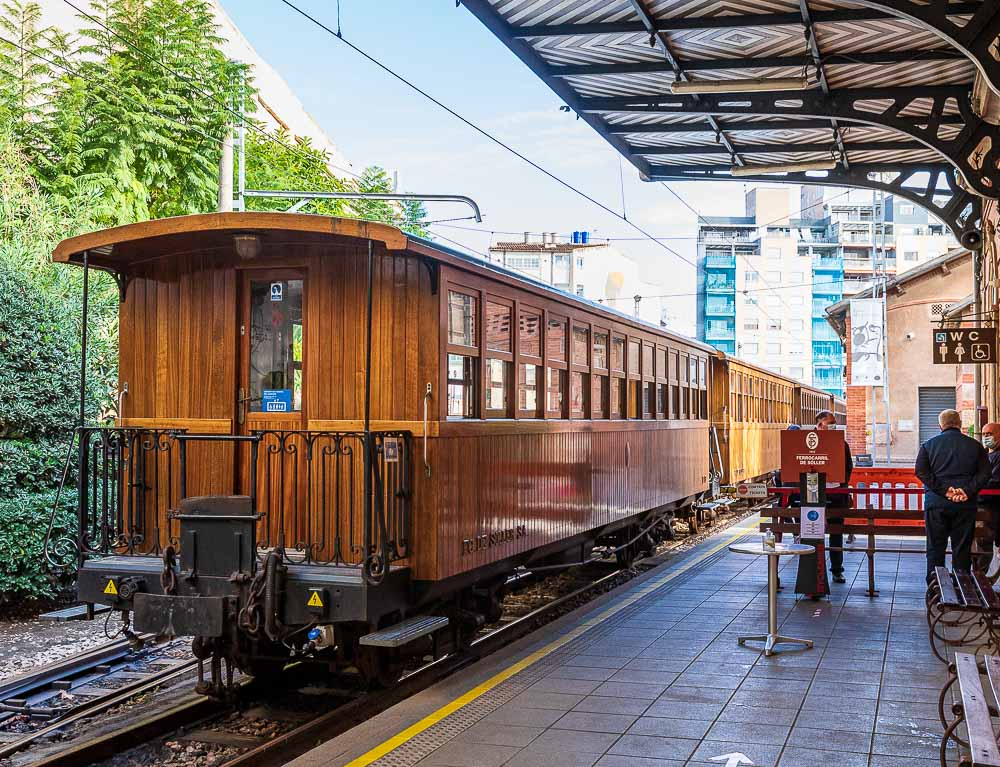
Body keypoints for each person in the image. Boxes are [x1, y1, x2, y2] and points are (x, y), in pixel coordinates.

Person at [915, 409, 991, 581]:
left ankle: (935, 586)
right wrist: (967, 491)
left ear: (940, 425)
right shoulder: (975, 446)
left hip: (936, 503)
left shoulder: (928, 445)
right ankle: (961, 585)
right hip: (965, 504)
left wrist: (945, 491)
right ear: (960, 424)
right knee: (962, 548)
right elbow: (985, 474)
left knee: (935, 547)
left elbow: (921, 472)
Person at [816, 410, 852, 584]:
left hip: (837, 494)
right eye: (830, 422)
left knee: (836, 532)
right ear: (820, 424)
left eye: (834, 422)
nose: (834, 425)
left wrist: (842, 482)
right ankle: (815, 569)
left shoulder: (842, 443)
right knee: (814, 532)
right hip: (815, 494)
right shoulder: (809, 442)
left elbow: (848, 467)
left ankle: (837, 570)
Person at [981, 422, 1000, 577]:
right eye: (984, 434)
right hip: (987, 507)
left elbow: (993, 482)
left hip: (992, 508)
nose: (986, 437)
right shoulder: (989, 454)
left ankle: (979, 578)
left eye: (990, 434)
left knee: (984, 543)